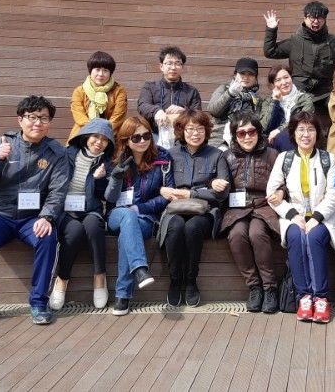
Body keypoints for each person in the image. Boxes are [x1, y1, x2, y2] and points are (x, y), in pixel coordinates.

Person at [0, 95, 69, 326]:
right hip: (0, 213)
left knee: (48, 238)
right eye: (32, 117)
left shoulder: (56, 152)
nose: (37, 123)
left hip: (32, 217)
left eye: (43, 118)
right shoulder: (2, 143)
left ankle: (39, 303)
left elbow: (58, 190)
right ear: (20, 120)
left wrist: (47, 216)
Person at [266, 112, 335, 323]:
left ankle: (321, 298)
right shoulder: (285, 159)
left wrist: (316, 217)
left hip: (323, 216)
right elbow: (271, 193)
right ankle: (304, 297)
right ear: (293, 133)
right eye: (301, 130)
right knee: (296, 237)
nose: (306, 134)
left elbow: (334, 194)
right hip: (294, 215)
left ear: (318, 133)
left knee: (314, 237)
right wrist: (292, 215)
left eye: (310, 129)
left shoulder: (327, 159)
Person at [103, 116, 173, 316]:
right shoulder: (115, 159)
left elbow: (168, 194)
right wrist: (116, 178)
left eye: (146, 136)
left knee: (129, 229)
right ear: (126, 140)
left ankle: (123, 295)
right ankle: (140, 268)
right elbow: (109, 198)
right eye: (136, 137)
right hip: (116, 214)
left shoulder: (163, 158)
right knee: (127, 217)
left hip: (146, 217)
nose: (142, 141)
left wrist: (140, 208)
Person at [160, 109, 231, 307]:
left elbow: (222, 194)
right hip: (175, 209)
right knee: (175, 227)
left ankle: (191, 280)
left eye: (200, 129)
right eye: (190, 129)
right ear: (181, 131)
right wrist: (164, 190)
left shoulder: (217, 155)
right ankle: (175, 280)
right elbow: (162, 185)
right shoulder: (170, 154)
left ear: (207, 131)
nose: (195, 133)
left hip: (205, 211)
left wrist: (190, 194)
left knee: (192, 227)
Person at [262, 1, 335, 128]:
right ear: (305, 18)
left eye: (320, 18)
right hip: (299, 90)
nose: (316, 21)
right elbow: (270, 51)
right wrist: (271, 30)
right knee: (293, 118)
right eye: (312, 17)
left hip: (326, 92)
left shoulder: (333, 42)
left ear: (324, 20)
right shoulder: (295, 41)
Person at [50, 118, 115, 311]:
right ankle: (62, 279)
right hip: (66, 210)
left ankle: (100, 277)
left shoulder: (107, 163)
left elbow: (105, 196)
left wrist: (100, 180)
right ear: (86, 136)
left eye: (104, 139)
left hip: (91, 209)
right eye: (95, 136)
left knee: (94, 228)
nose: (99, 142)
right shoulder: (67, 154)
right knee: (75, 232)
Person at [220, 113, 282, 313]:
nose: (247, 137)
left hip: (263, 205)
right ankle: (254, 287)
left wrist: (281, 191)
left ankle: (270, 288)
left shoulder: (272, 154)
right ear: (234, 135)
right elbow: (217, 180)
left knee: (257, 233)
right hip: (236, 208)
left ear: (259, 132)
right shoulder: (226, 156)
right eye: (241, 133)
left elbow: (285, 181)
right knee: (237, 235)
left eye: (251, 131)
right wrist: (214, 183)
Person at [137, 46, 202, 148]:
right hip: (154, 135)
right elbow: (142, 105)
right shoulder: (149, 87)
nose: (173, 67)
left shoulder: (191, 91)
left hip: (182, 138)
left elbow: (198, 115)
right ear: (161, 66)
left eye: (177, 63)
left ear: (182, 67)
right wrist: (156, 111)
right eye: (169, 63)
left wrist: (184, 111)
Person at [68, 51, 128, 141]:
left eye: (105, 70)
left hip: (111, 135)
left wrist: (103, 132)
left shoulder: (119, 91)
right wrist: (92, 131)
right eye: (97, 69)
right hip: (83, 133)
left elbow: (118, 117)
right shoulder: (79, 91)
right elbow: (79, 116)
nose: (101, 74)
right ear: (90, 70)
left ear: (110, 73)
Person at [207, 57, 265, 148]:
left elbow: (259, 124)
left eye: (250, 74)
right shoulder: (223, 89)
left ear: (255, 77)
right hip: (219, 139)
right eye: (242, 73)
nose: (246, 77)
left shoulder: (257, 100)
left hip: (246, 141)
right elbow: (213, 110)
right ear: (235, 74)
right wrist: (230, 93)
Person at [262, 64, 315, 152]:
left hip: (297, 139)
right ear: (273, 84)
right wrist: (275, 102)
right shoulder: (268, 102)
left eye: (286, 77)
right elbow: (265, 127)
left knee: (284, 137)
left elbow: (301, 121)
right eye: (278, 80)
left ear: (291, 78)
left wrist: (279, 130)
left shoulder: (304, 99)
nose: (284, 82)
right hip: (271, 142)